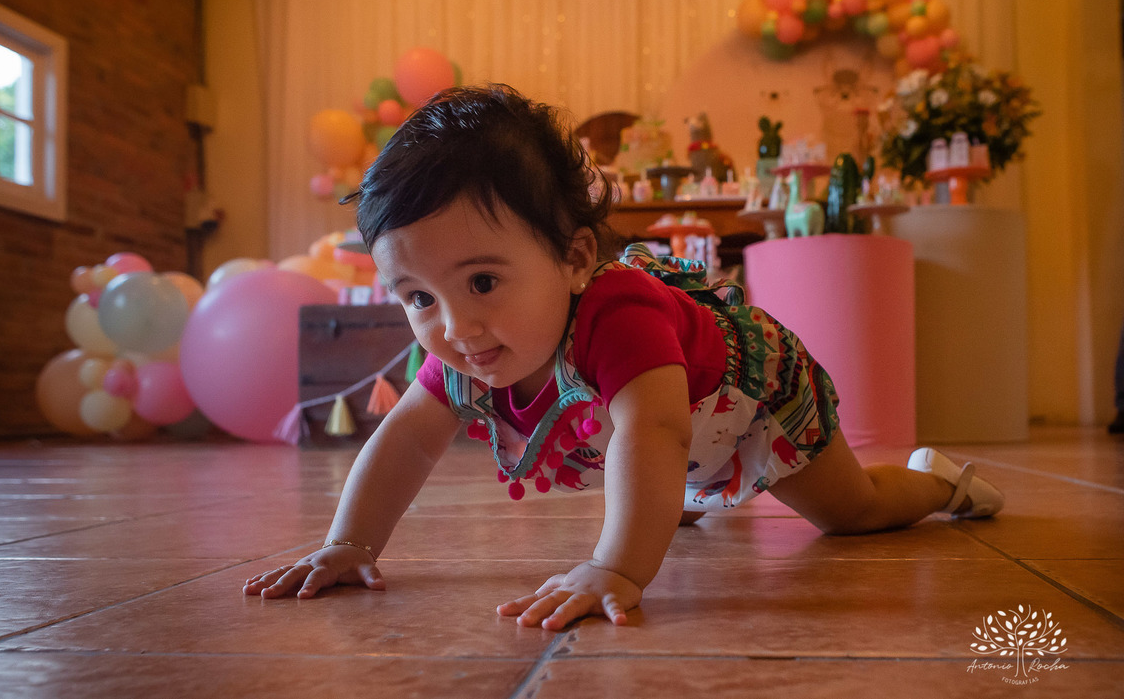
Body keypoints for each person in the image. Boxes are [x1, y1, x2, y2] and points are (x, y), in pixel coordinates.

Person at [243, 85, 1004, 631]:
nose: (454, 324)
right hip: (671, 437)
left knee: (853, 513)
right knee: (654, 483)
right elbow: (404, 439)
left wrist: (616, 566)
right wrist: (349, 543)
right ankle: (677, 504)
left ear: (575, 259)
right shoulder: (462, 351)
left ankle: (939, 481)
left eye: (481, 280)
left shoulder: (619, 312)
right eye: (416, 297)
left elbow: (656, 434)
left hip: (752, 400)